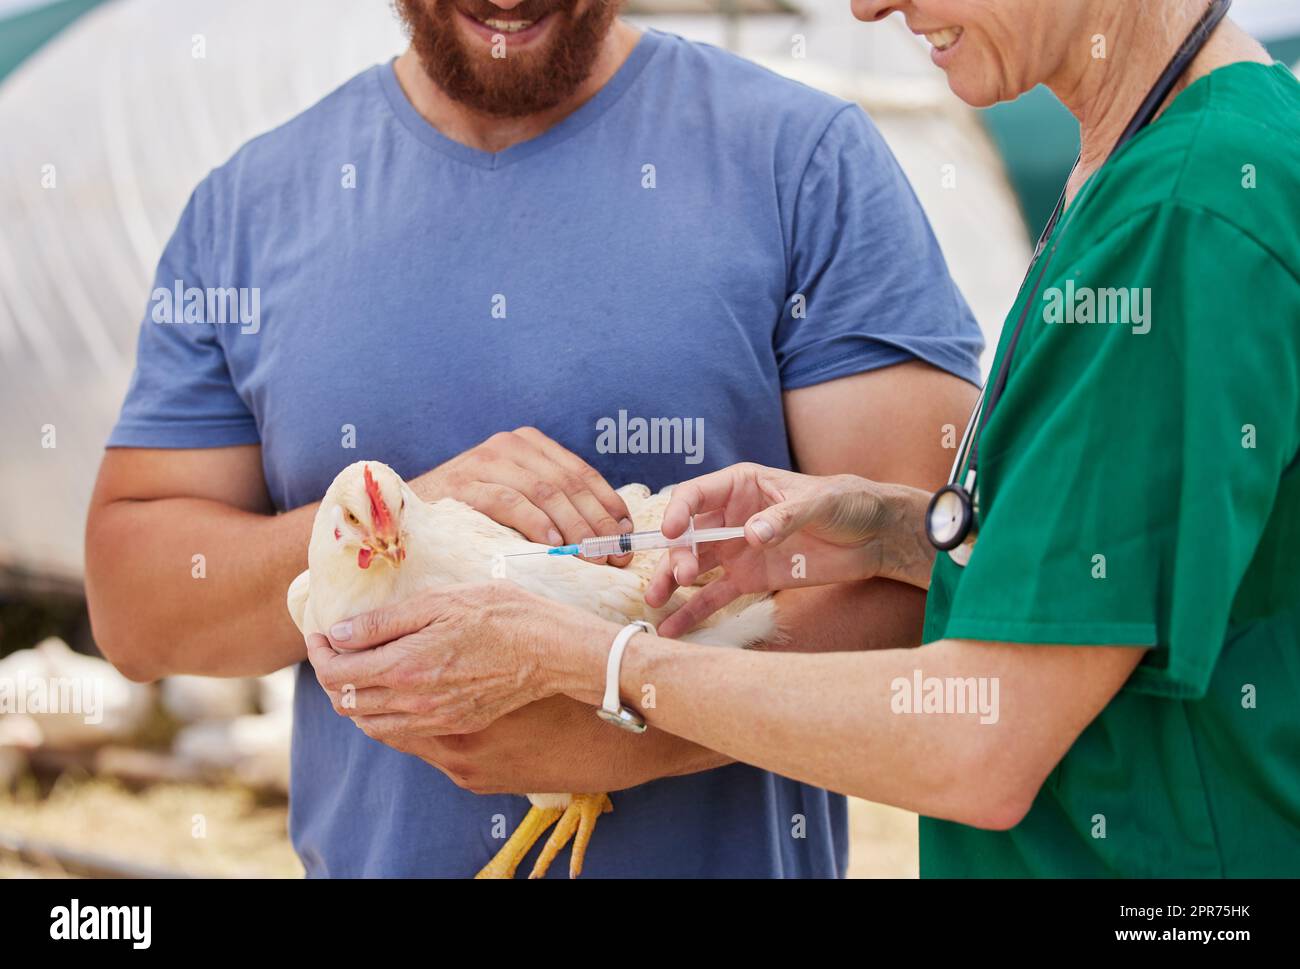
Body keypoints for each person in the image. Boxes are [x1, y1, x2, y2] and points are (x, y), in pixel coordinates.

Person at [308, 0, 1300, 876]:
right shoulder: (1185, 156)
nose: (867, 7)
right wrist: (889, 532)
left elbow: (982, 746)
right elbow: (1130, 577)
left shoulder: (1178, 219)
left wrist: (600, 667)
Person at [85, 0, 983, 876]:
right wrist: (397, 522)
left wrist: (634, 718)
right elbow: (135, 610)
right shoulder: (248, 210)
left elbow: (937, 572)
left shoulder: (804, 162)